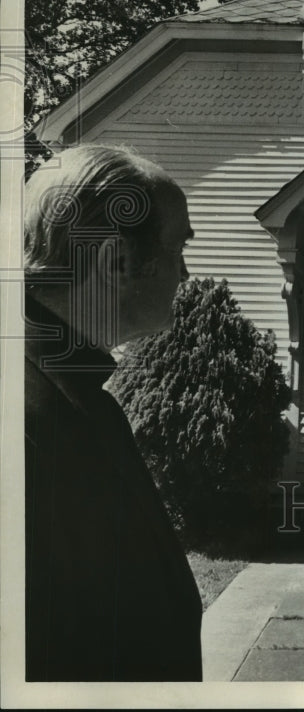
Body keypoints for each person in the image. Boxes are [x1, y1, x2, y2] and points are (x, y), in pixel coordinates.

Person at [24, 144, 203, 682]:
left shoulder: (76, 398)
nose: (187, 272)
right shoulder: (26, 423)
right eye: (177, 249)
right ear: (117, 260)